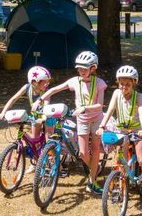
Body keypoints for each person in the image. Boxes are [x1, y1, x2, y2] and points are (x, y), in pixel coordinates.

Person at [32, 51, 107, 195]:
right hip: (82, 120)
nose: (81, 71)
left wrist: (84, 108)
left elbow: (100, 106)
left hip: (96, 119)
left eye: (84, 68)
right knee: (83, 153)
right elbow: (55, 89)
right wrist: (40, 100)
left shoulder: (99, 83)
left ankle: (92, 181)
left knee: (96, 148)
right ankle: (93, 168)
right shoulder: (74, 81)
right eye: (79, 68)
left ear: (93, 68)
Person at [98, 65, 142, 209]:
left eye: (128, 84)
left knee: (141, 159)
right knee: (120, 160)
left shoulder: (139, 96)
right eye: (121, 83)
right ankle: (121, 185)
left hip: (136, 131)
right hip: (122, 130)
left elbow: (141, 113)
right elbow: (110, 110)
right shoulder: (116, 94)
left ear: (134, 83)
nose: (124, 87)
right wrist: (102, 126)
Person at [0, 66, 53, 173]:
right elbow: (13, 99)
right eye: (44, 82)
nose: (47, 84)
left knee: (49, 140)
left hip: (46, 116)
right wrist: (3, 112)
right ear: (34, 82)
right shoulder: (27, 88)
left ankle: (53, 162)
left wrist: (43, 118)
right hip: (35, 117)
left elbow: (46, 105)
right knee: (34, 141)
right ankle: (35, 161)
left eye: (48, 82)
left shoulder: (46, 91)